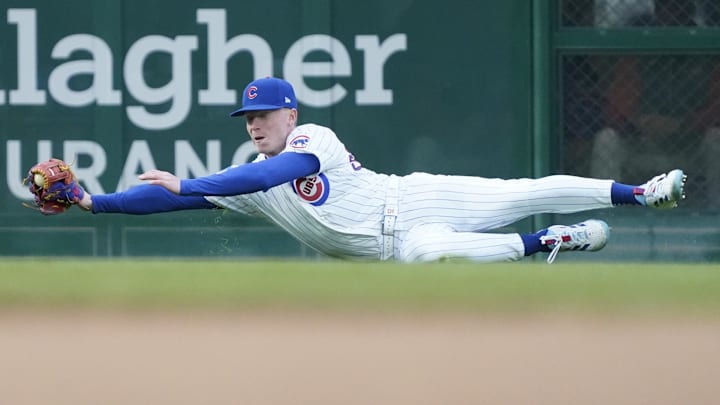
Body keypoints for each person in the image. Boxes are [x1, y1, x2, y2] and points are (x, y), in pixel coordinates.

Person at [69, 77, 686, 264]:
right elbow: (175, 201)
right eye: (246, 116)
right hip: (402, 244)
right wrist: (95, 202)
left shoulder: (313, 139)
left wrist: (190, 181)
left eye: (262, 114)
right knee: (433, 258)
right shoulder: (246, 176)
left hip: (414, 200)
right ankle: (552, 241)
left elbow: (261, 178)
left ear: (289, 113)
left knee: (524, 190)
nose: (253, 123)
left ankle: (641, 192)